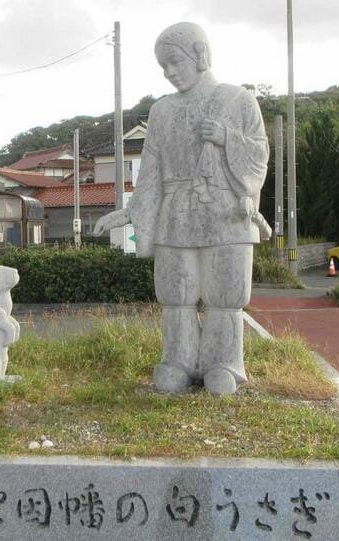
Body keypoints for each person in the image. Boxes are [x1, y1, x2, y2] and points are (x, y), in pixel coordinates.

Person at [94, 22, 271, 395]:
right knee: (176, 294)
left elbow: (259, 154)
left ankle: (224, 364)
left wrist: (226, 138)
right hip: (175, 212)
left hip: (225, 209)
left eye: (175, 62)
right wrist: (130, 212)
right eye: (164, 67)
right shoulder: (161, 111)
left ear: (200, 55)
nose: (170, 72)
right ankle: (179, 360)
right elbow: (152, 171)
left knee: (226, 295)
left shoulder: (238, 100)